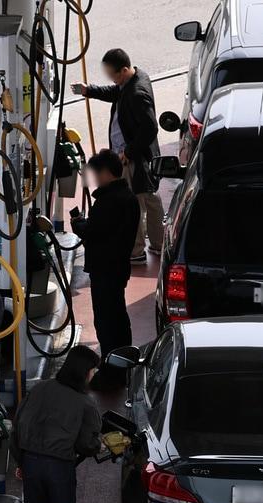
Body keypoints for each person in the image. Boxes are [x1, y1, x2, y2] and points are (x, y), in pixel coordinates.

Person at [71, 48, 163, 258]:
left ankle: (136, 250)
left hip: (133, 159)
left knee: (135, 203)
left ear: (123, 70)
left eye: (113, 75)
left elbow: (150, 128)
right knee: (150, 198)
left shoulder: (137, 93)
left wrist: (128, 153)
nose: (112, 80)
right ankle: (159, 242)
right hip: (142, 157)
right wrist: (89, 90)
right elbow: (115, 93)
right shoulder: (133, 80)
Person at [10, 346, 102, 503]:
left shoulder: (39, 389)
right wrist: (98, 445)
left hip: (30, 464)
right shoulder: (85, 403)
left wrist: (22, 462)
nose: (93, 375)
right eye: (92, 370)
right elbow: (86, 444)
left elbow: (17, 427)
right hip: (59, 469)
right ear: (84, 372)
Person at [69, 150, 140, 359]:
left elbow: (93, 233)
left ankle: (111, 361)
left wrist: (78, 225)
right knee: (117, 314)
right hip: (118, 268)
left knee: (106, 318)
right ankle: (123, 357)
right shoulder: (128, 197)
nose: (96, 179)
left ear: (107, 172)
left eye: (97, 174)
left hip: (104, 269)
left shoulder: (109, 201)